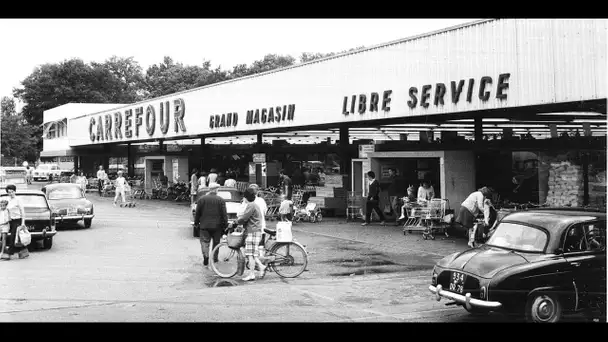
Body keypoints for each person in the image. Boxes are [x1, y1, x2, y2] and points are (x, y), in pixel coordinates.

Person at [231, 188, 266, 281]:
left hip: (252, 232)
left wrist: (235, 223)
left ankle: (251, 274)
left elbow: (244, 218)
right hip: (255, 231)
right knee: (253, 254)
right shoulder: (254, 205)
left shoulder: (250, 205)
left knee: (250, 255)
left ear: (246, 197)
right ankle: (261, 267)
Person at [193, 183, 228, 266]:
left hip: (204, 225)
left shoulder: (202, 199)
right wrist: (225, 225)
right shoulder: (221, 200)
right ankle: (214, 258)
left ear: (209, 189)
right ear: (216, 190)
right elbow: (224, 214)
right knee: (216, 243)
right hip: (217, 226)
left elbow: (197, 213)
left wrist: (196, 223)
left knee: (205, 242)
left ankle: (206, 256)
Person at [4, 184, 28, 260]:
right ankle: (24, 251)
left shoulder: (18, 200)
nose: (11, 193)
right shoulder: (8, 200)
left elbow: (22, 211)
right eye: (9, 192)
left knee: (13, 237)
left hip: (18, 220)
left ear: (15, 191)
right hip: (11, 220)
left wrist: (23, 223)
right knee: (17, 237)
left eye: (12, 192)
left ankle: (9, 253)